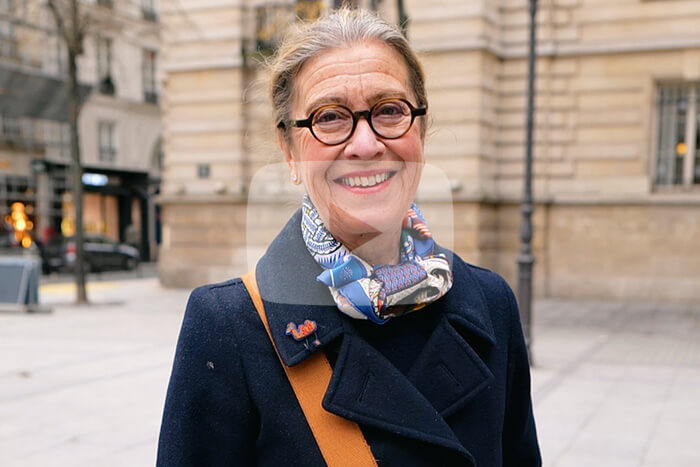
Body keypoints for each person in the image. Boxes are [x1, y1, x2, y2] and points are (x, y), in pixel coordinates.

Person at [157, 8, 540, 466]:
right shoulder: (228, 327)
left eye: (390, 110)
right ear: (289, 151)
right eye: (330, 117)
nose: (365, 144)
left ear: (420, 130)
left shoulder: (492, 305)